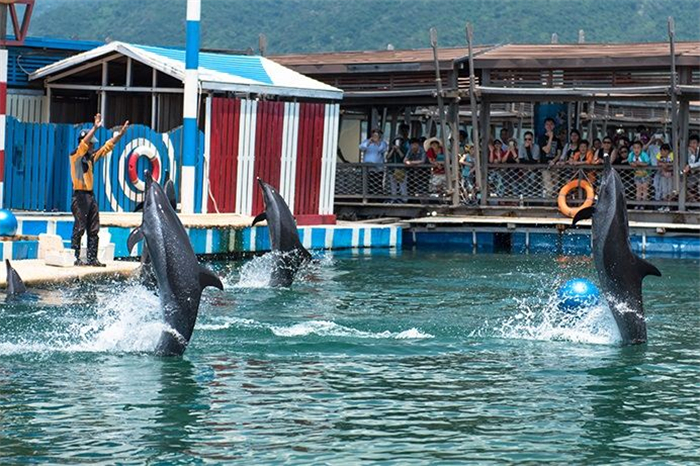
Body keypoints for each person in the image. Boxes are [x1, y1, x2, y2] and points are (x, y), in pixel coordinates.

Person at [70, 113, 129, 266]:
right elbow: (84, 143)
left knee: (94, 228)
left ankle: (92, 258)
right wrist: (95, 128)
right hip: (80, 197)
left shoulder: (91, 158)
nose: (93, 146)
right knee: (80, 228)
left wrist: (120, 135)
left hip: (90, 196)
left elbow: (107, 146)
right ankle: (74, 257)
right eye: (91, 144)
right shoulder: (75, 156)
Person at [359, 128, 388, 195]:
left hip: (378, 169)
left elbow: (382, 149)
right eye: (374, 134)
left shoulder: (383, 143)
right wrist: (369, 142)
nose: (375, 136)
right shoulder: (366, 141)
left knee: (378, 184)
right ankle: (367, 197)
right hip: (368, 168)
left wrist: (377, 142)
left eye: (377, 134)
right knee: (367, 184)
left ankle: (378, 198)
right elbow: (361, 147)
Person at [628, 140, 651, 209]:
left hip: (645, 174)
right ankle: (637, 203)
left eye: (638, 148)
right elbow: (630, 162)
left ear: (641, 148)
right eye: (634, 148)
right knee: (638, 189)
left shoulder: (644, 154)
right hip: (637, 174)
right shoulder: (631, 154)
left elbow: (647, 163)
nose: (636, 150)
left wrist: (639, 164)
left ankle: (643, 204)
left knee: (644, 189)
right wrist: (633, 164)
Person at [385, 136, 407, 202]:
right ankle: (394, 198)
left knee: (402, 185)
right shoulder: (391, 148)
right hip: (392, 169)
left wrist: (398, 150)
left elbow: (403, 157)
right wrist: (392, 150)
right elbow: (388, 157)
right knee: (393, 184)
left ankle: (404, 199)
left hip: (401, 169)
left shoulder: (404, 148)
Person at [683, 134, 700, 202]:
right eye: (690, 143)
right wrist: (692, 154)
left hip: (698, 174)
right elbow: (690, 162)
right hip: (691, 175)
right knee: (682, 185)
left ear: (698, 144)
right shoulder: (688, 151)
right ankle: (693, 202)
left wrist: (690, 166)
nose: (692, 145)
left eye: (694, 143)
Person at [656, 143, 674, 208]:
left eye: (662, 151)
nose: (661, 152)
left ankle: (669, 206)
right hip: (663, 175)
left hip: (671, 176)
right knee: (664, 190)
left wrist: (667, 165)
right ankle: (664, 205)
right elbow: (658, 162)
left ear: (667, 151)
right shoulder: (659, 155)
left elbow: (673, 163)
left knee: (670, 190)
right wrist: (663, 164)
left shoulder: (671, 155)